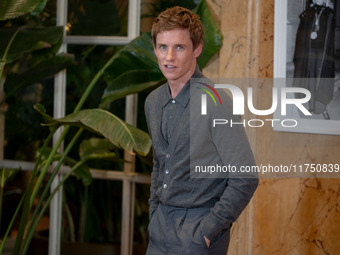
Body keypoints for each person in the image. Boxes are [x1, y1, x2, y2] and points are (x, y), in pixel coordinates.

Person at [144, 6, 258, 255]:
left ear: (197, 49)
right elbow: (159, 164)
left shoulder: (216, 101)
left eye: (179, 47)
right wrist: (154, 212)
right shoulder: (153, 101)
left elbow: (245, 176)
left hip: (197, 232)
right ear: (154, 49)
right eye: (163, 47)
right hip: (159, 228)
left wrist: (209, 230)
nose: (169, 57)